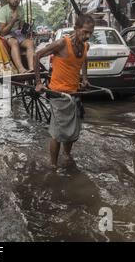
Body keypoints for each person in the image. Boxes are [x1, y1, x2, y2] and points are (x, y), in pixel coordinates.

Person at [33, 15, 95, 168]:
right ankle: (53, 165)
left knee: (72, 134)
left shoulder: (85, 46)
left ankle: (67, 157)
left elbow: (84, 60)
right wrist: (39, 82)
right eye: (85, 32)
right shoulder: (62, 43)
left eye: (90, 33)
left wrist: (85, 78)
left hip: (74, 93)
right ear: (76, 29)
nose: (87, 36)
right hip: (58, 94)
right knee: (58, 133)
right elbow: (37, 55)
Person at [0, 0, 35, 74]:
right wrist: (13, 20)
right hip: (6, 35)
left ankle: (32, 68)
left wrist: (26, 29)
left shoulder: (20, 9)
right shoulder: (2, 11)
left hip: (17, 34)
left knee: (30, 43)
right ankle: (21, 69)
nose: (15, 0)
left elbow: (21, 28)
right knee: (14, 42)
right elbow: (2, 32)